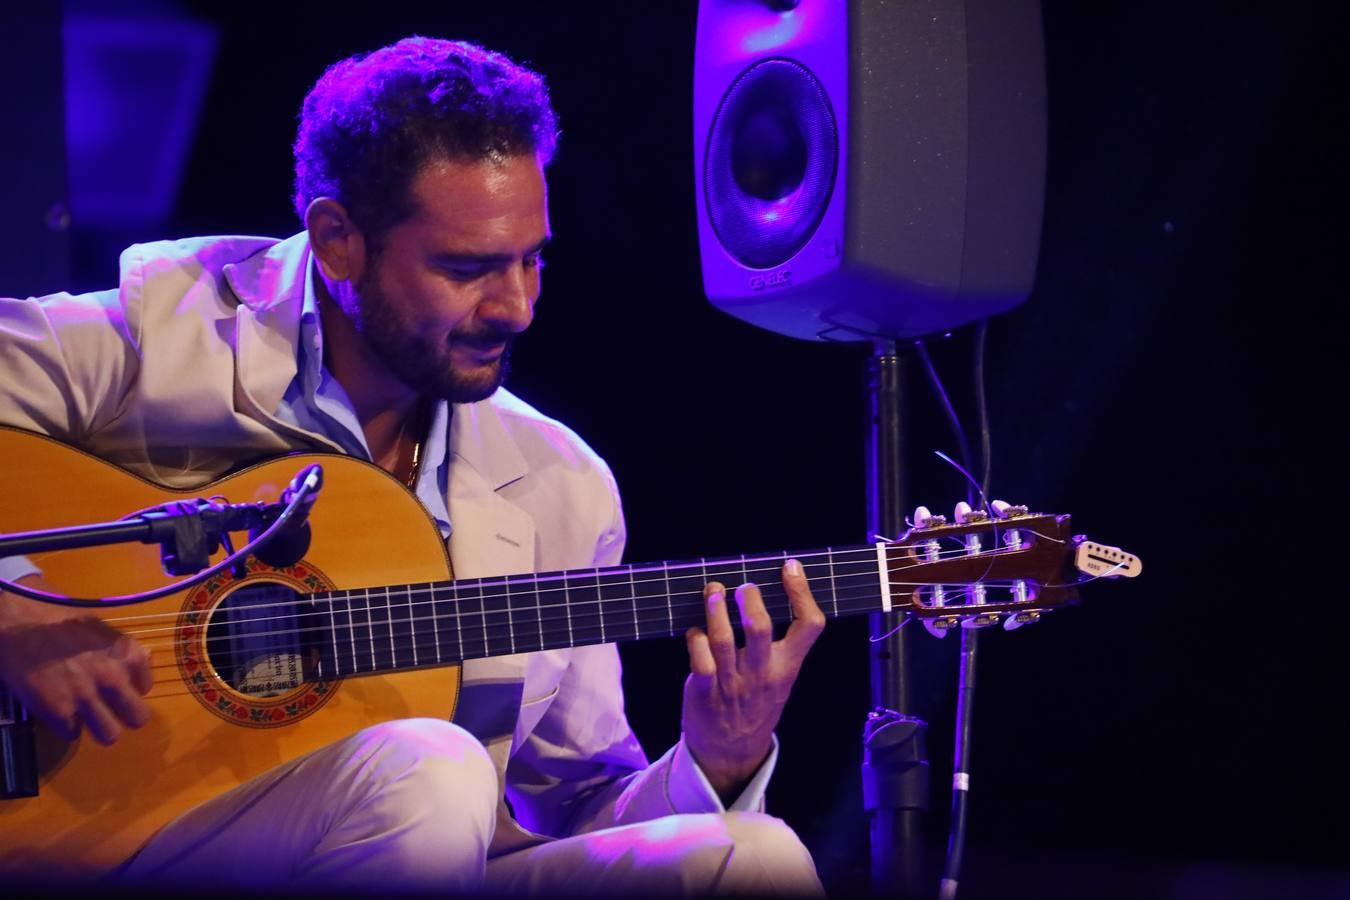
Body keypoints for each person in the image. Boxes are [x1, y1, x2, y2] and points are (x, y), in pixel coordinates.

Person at [0, 37, 827, 894]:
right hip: (123, 848)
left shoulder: (560, 483)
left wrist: (718, 759)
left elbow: (575, 807)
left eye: (532, 258)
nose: (516, 306)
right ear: (338, 240)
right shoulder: (168, 330)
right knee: (433, 767)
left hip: (433, 851)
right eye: (466, 268)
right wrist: (15, 611)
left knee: (756, 857)